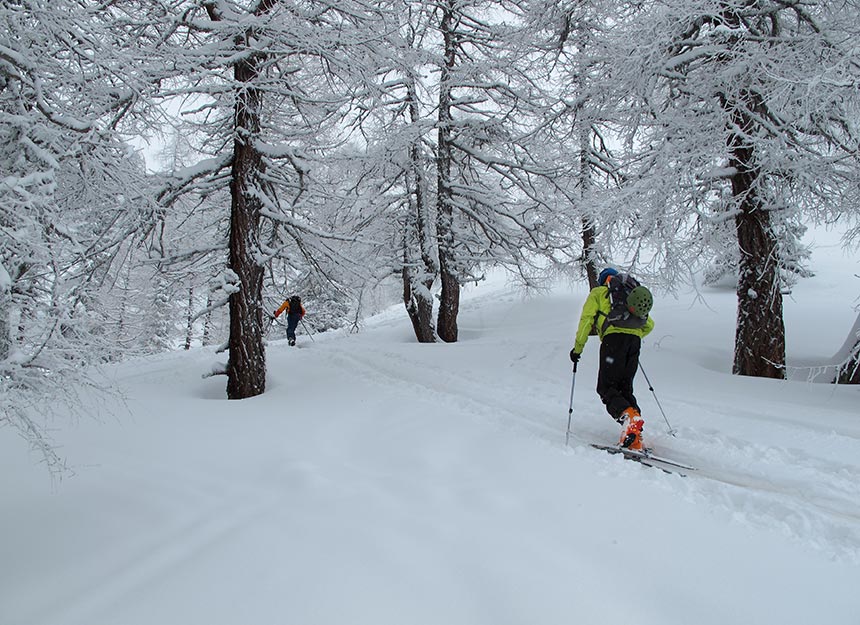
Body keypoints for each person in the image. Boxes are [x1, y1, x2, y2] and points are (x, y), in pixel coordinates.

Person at [569, 267, 654, 450]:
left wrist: (577, 349)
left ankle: (629, 419)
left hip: (613, 342)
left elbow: (586, 320)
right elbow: (649, 324)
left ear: (602, 281)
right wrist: (633, 335)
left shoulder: (599, 292)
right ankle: (635, 434)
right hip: (634, 342)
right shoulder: (630, 294)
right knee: (625, 388)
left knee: (606, 388)